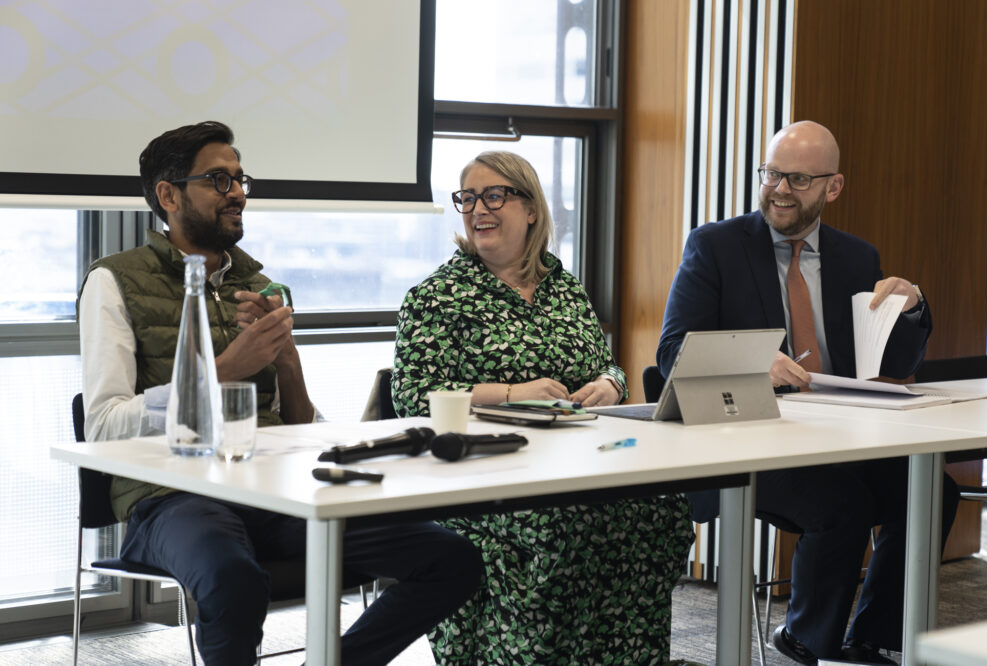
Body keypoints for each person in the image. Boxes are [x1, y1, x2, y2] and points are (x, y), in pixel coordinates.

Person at [77, 121, 482, 666]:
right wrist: (222, 370)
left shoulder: (262, 284)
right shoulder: (113, 280)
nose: (238, 193)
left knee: (451, 556)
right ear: (168, 195)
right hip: (169, 499)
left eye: (241, 180)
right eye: (219, 180)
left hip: (272, 488)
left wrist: (287, 361)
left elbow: (298, 423)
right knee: (234, 580)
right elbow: (103, 424)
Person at [656, 120, 959, 664]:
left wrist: (912, 308)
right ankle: (804, 640)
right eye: (771, 173)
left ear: (832, 187)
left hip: (840, 435)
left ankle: (871, 638)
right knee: (841, 505)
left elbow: (889, 365)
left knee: (932, 489)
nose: (778, 190)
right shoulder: (715, 247)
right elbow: (672, 351)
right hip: (751, 440)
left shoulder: (856, 258)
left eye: (798, 179)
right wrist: (753, 362)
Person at [392, 151, 695, 665]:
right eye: (467, 199)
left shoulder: (563, 287)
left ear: (530, 208)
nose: (477, 210)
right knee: (566, 523)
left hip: (580, 460)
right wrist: (513, 392)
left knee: (659, 506)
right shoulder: (436, 297)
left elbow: (611, 366)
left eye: (493, 196)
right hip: (483, 477)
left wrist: (608, 384)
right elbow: (414, 393)